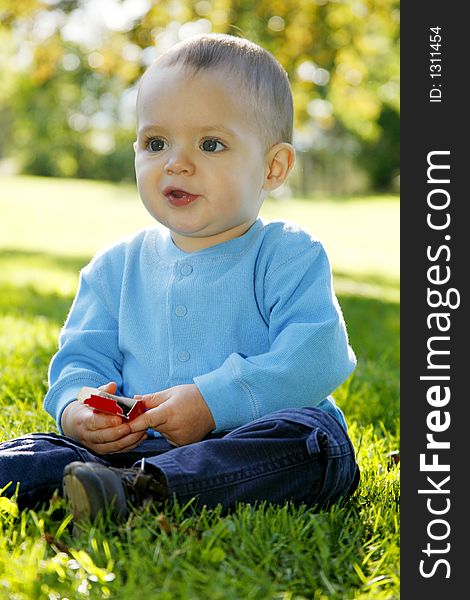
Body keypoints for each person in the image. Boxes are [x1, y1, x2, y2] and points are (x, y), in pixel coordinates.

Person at [0, 33, 359, 522]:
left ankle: (140, 490)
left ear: (272, 168)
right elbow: (80, 361)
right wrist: (79, 411)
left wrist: (214, 403)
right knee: (39, 451)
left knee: (314, 441)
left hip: (246, 444)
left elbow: (318, 356)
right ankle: (116, 486)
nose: (176, 162)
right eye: (156, 142)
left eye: (211, 144)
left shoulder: (288, 254)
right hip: (128, 447)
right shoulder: (114, 267)